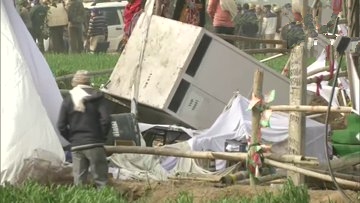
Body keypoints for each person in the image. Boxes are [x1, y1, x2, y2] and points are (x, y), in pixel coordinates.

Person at [57, 70, 111, 188]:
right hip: (95, 143)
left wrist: (73, 138)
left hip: (77, 145)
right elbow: (106, 120)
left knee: (79, 182)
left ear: (74, 83)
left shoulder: (68, 100)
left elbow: (61, 125)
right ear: (89, 82)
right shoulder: (99, 98)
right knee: (101, 180)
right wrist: (101, 137)